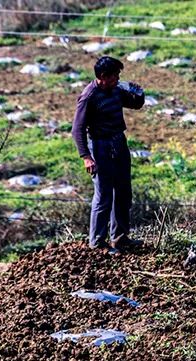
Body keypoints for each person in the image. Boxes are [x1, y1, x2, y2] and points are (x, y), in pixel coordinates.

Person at [72, 56, 145, 254]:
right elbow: (77, 129)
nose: (118, 79)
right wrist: (86, 156)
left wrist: (138, 93)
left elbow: (135, 104)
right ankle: (97, 243)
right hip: (100, 146)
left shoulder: (115, 90)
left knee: (123, 191)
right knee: (104, 195)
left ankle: (120, 238)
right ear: (103, 77)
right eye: (115, 76)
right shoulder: (89, 96)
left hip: (118, 142)